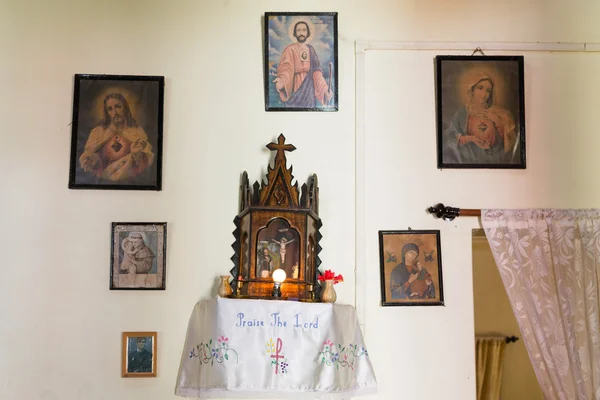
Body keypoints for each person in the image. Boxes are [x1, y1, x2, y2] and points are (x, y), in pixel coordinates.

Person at [442, 72, 518, 165]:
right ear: (472, 89)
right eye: (480, 88)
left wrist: (497, 121)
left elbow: (509, 145)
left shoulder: (500, 113)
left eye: (488, 90)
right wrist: (472, 139)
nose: (484, 94)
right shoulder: (462, 114)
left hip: (494, 162)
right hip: (468, 162)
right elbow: (449, 137)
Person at [79, 93, 154, 181]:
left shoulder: (137, 132)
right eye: (110, 109)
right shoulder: (98, 132)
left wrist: (137, 155)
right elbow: (89, 158)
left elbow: (147, 163)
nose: (114, 113)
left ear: (125, 108)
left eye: (118, 107)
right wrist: (93, 159)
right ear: (107, 113)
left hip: (129, 182)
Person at [273, 21, 333, 108]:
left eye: (304, 30)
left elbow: (317, 73)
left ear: (308, 33)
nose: (301, 33)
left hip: (309, 94)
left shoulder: (311, 50)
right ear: (295, 33)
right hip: (294, 91)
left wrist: (324, 89)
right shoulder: (290, 50)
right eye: (299, 30)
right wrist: (282, 82)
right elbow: (286, 69)